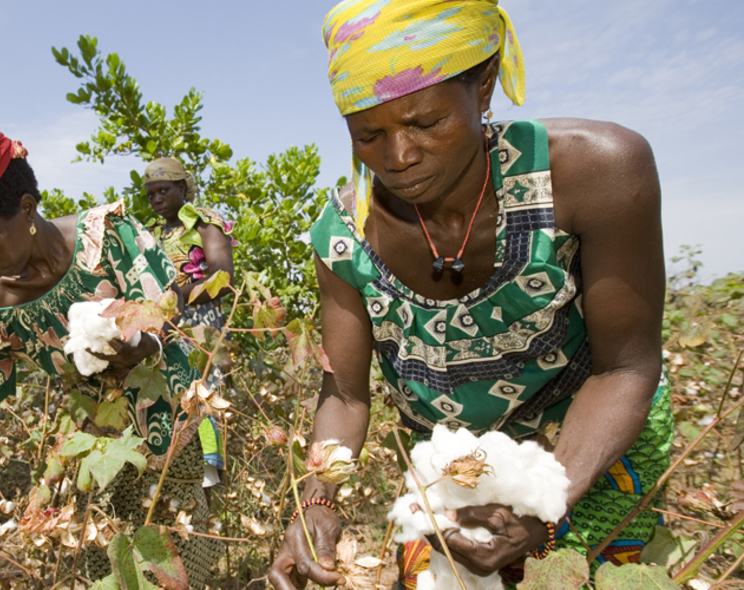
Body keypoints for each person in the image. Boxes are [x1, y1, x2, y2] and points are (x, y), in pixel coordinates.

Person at [270, 1, 672, 588]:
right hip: (451, 471)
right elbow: (348, 397)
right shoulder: (342, 237)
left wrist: (543, 496)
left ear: (484, 86)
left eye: (427, 123)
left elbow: (627, 368)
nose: (399, 157)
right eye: (369, 134)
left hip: (589, 449)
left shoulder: (594, 172)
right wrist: (317, 502)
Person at [0, 129, 222, 590]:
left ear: (27, 209)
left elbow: (164, 311)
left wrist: (142, 346)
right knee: (112, 572)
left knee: (181, 566)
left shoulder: (106, 236)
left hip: (171, 431)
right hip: (98, 453)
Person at [143, 157, 236, 487]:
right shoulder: (149, 233)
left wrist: (179, 294)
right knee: (169, 401)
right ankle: (175, 480)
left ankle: (210, 480)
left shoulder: (206, 223)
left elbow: (223, 278)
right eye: (150, 194)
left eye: (163, 191)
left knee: (203, 395)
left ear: (182, 188)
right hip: (166, 327)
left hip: (201, 324)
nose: (156, 200)